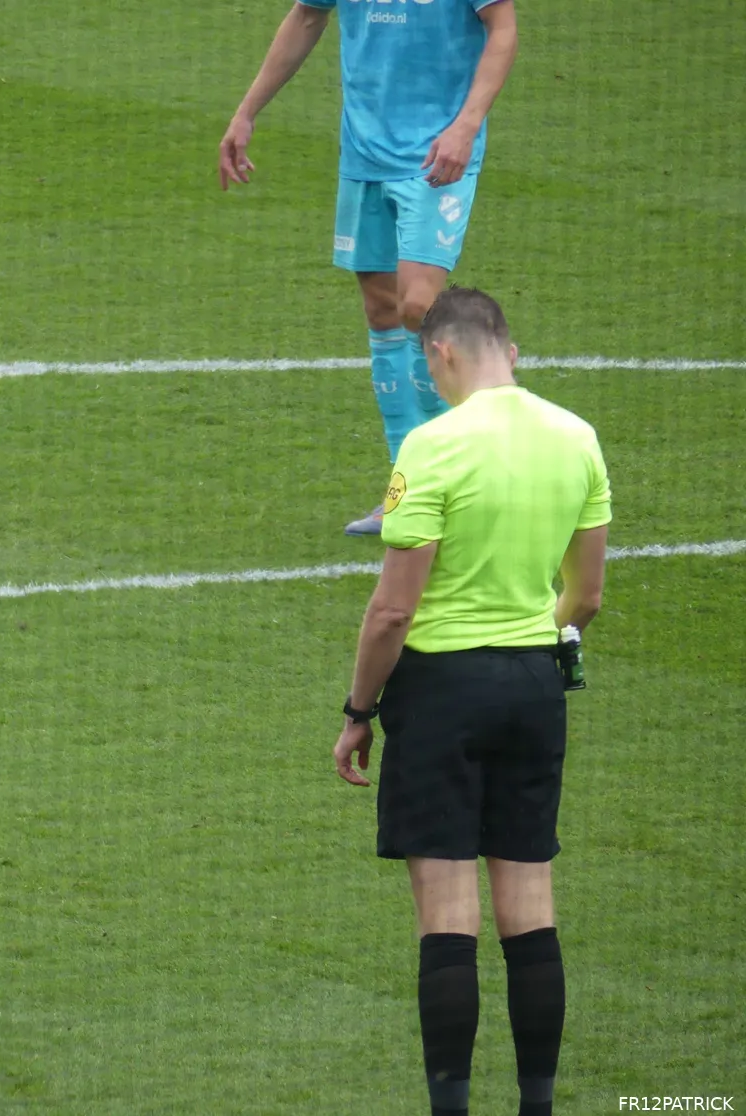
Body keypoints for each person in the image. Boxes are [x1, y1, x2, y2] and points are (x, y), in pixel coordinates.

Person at [330, 288, 610, 1116]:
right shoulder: (577, 436)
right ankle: (537, 1106)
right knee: (529, 904)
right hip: (533, 683)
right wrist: (530, 642)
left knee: (447, 909)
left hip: (443, 692)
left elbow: (391, 611)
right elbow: (586, 595)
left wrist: (357, 710)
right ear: (509, 348)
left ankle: (450, 1108)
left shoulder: (434, 444)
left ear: (441, 353)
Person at [218, 0, 518, 536]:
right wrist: (246, 111)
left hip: (437, 152)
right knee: (383, 313)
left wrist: (467, 125)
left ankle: (472, 465)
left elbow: (503, 30)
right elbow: (306, 17)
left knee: (419, 308)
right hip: (364, 153)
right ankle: (406, 491)